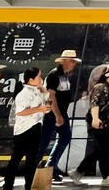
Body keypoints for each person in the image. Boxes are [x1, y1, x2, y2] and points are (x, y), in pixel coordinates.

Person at [74, 64, 109, 187]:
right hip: (102, 124)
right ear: (108, 74)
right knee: (105, 151)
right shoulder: (101, 87)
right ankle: (106, 177)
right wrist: (95, 119)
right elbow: (95, 104)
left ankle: (78, 171)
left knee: (101, 151)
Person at [3, 67, 52, 190]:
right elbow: (20, 112)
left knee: (31, 160)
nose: (41, 79)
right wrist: (39, 109)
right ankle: (8, 184)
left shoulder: (37, 91)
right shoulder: (24, 94)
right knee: (16, 158)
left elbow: (46, 101)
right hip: (24, 130)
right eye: (38, 77)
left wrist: (44, 92)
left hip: (35, 126)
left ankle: (29, 185)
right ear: (31, 80)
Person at [39, 49, 81, 182]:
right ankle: (34, 169)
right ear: (65, 61)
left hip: (61, 112)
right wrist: (57, 115)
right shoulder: (54, 75)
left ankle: (51, 167)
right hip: (51, 113)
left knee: (65, 138)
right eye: (72, 61)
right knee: (44, 141)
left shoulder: (64, 75)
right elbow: (51, 96)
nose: (74, 64)